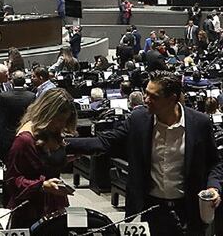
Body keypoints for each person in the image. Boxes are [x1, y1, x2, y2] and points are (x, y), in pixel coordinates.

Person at [68, 71, 223, 236]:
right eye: (146, 93)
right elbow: (105, 141)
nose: (146, 100)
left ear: (172, 98)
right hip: (149, 209)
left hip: (189, 210)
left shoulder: (199, 123)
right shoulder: (138, 119)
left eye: (153, 97)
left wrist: (213, 187)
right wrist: (64, 144)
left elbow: (215, 163)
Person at [5, 87, 77, 229]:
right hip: (31, 211)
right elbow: (12, 180)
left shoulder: (48, 132)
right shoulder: (24, 140)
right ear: (47, 114)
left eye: (65, 120)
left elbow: (42, 165)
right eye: (59, 120)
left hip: (54, 206)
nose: (62, 125)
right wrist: (42, 185)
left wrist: (62, 159)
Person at [0, 71, 36, 162]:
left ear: (12, 82)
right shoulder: (31, 96)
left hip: (7, 133)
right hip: (24, 132)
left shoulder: (4, 96)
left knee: (8, 159)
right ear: (24, 81)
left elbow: (0, 115)